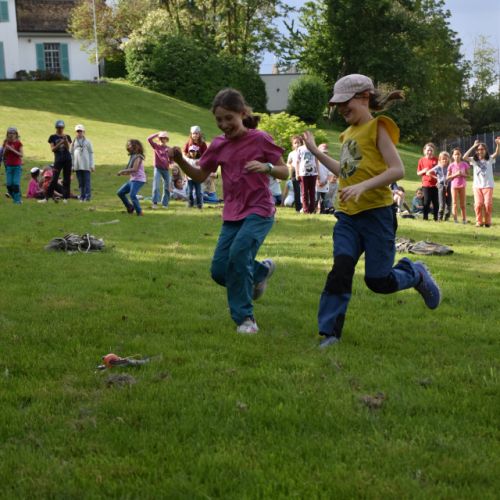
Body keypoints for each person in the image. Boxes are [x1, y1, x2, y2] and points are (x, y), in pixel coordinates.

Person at [302, 74, 441, 348]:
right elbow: (344, 171)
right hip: (347, 217)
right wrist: (316, 152)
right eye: (337, 104)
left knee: (378, 281)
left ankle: (415, 273)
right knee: (341, 268)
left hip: (377, 215)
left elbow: (397, 170)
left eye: (345, 102)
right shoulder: (347, 134)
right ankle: (330, 333)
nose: (341, 108)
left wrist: (363, 186)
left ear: (364, 97)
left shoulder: (378, 127)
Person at [171, 88, 288, 334]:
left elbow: (285, 171)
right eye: (219, 120)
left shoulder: (260, 138)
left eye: (229, 118)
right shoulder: (218, 144)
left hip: (259, 209)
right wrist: (180, 161)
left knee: (239, 255)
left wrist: (266, 167)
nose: (224, 124)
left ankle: (245, 319)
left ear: (242, 114)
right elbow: (200, 175)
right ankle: (261, 271)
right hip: (233, 212)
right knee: (219, 270)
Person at [464, 138, 499, 227]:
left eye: (482, 149)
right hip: (477, 186)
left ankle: (487, 222)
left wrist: (498, 144)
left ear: (485, 150)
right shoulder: (474, 160)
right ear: (476, 151)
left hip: (488, 185)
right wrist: (473, 146)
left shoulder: (489, 159)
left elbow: (497, 153)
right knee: (478, 204)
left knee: (487, 204)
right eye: (478, 149)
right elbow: (464, 157)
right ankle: (479, 222)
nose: (480, 151)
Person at [40, 120, 72, 203]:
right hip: (58, 160)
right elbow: (53, 149)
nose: (60, 129)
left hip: (67, 159)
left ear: (63, 128)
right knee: (54, 179)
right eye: (59, 128)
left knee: (66, 178)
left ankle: (65, 198)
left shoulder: (67, 136)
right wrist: (60, 142)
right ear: (56, 128)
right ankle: (47, 197)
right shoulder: (52, 137)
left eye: (61, 128)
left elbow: (68, 148)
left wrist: (65, 141)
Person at [117, 140, 146, 216]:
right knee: (120, 192)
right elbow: (131, 170)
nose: (128, 146)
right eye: (128, 145)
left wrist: (123, 171)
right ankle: (130, 207)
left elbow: (135, 169)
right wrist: (124, 173)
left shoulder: (138, 157)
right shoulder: (133, 156)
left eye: (130, 145)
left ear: (135, 146)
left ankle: (139, 212)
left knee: (132, 195)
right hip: (133, 180)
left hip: (139, 180)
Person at [71, 124, 94, 202]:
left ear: (84, 132)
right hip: (77, 165)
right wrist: (72, 165)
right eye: (78, 131)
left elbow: (91, 153)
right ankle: (82, 196)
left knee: (87, 182)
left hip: (86, 165)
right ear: (76, 132)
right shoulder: (73, 142)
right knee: (80, 182)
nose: (79, 133)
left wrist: (92, 165)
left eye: (80, 131)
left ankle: (87, 197)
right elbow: (71, 154)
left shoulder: (88, 141)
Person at [147, 131, 171, 209]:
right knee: (156, 185)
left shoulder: (169, 149)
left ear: (167, 139)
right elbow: (149, 139)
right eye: (161, 138)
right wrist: (157, 134)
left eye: (165, 138)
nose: (163, 140)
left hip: (166, 170)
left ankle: (165, 204)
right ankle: (155, 203)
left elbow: (171, 159)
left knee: (167, 186)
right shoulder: (156, 146)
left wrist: (172, 164)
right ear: (159, 139)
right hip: (157, 168)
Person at [447, 148, 469, 224]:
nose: (457, 156)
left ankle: (464, 219)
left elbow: (468, 175)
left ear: (461, 155)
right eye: (455, 154)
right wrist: (455, 174)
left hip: (462, 186)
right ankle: (455, 220)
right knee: (454, 203)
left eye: (458, 154)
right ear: (452, 156)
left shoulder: (464, 164)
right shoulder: (451, 165)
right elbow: (447, 177)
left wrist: (462, 174)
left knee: (463, 204)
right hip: (454, 186)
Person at [296, 138, 319, 213]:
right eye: (304, 139)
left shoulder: (314, 148)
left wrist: (318, 172)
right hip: (303, 173)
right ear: (303, 140)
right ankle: (305, 209)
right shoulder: (300, 149)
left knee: (312, 191)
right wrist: (297, 173)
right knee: (304, 192)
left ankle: (312, 209)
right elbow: (297, 161)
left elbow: (316, 160)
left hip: (313, 173)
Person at [417, 143, 438, 221]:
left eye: (431, 150)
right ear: (424, 151)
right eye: (428, 150)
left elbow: (440, 171)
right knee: (426, 201)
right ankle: (425, 217)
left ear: (433, 151)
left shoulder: (436, 160)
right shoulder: (421, 160)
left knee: (435, 201)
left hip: (436, 184)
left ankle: (436, 218)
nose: (429, 152)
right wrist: (423, 170)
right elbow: (418, 173)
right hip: (426, 184)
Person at [2, 127, 24, 204]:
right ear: (7, 134)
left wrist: (12, 149)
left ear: (16, 135)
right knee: (9, 185)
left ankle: (17, 201)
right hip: (9, 166)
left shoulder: (18, 143)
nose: (11, 135)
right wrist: (6, 149)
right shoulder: (6, 143)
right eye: (9, 133)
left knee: (15, 184)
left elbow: (21, 155)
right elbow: (4, 155)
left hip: (17, 167)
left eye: (13, 133)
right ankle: (16, 198)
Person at [184, 144, 204, 209]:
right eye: (191, 151)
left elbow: (202, 168)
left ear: (197, 152)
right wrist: (185, 176)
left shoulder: (200, 159)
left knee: (198, 192)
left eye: (194, 151)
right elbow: (186, 169)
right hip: (189, 179)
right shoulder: (188, 160)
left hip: (197, 179)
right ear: (189, 152)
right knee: (190, 192)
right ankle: (190, 203)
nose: (192, 153)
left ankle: (199, 204)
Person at [434, 151, 451, 221]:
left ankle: (447, 217)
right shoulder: (438, 167)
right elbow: (428, 172)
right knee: (442, 202)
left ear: (448, 159)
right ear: (440, 159)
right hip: (441, 186)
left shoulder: (450, 167)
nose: (444, 160)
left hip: (449, 185)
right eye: (443, 159)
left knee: (448, 202)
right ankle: (440, 217)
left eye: (446, 159)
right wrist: (438, 179)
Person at [287, 135, 302, 212]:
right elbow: (288, 163)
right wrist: (291, 166)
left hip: (302, 172)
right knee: (296, 190)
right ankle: (298, 208)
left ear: (301, 143)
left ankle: (304, 206)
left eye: (298, 143)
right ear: (293, 145)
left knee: (303, 190)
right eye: (295, 143)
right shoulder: (291, 153)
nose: (297, 144)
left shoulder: (303, 152)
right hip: (294, 172)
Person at [316, 143, 331, 213]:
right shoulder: (316, 162)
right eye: (322, 153)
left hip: (325, 184)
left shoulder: (328, 163)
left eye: (325, 153)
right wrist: (317, 181)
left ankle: (322, 211)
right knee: (316, 198)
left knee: (324, 200)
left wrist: (325, 182)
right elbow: (314, 172)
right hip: (316, 184)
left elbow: (329, 175)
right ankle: (313, 210)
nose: (324, 154)